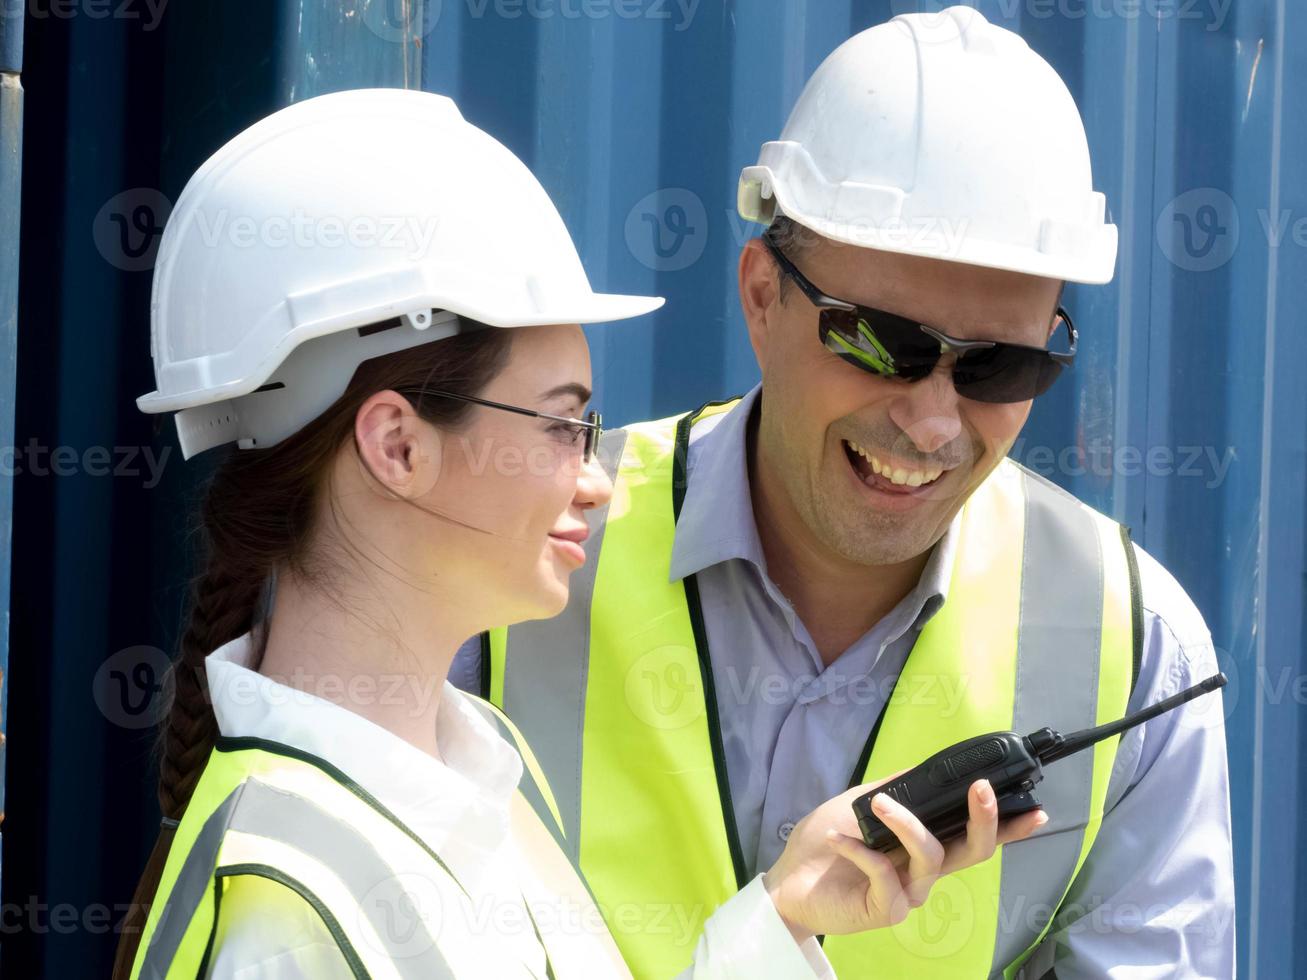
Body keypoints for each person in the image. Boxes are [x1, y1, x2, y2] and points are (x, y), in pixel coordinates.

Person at [114, 87, 1044, 979]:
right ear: (398, 446)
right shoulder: (288, 929)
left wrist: (782, 918)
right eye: (564, 425)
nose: (598, 483)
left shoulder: (471, 764)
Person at [452, 8, 1236, 979]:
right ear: (759, 296)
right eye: (880, 343)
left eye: (998, 367)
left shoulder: (1132, 647)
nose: (932, 420)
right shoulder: (518, 537)